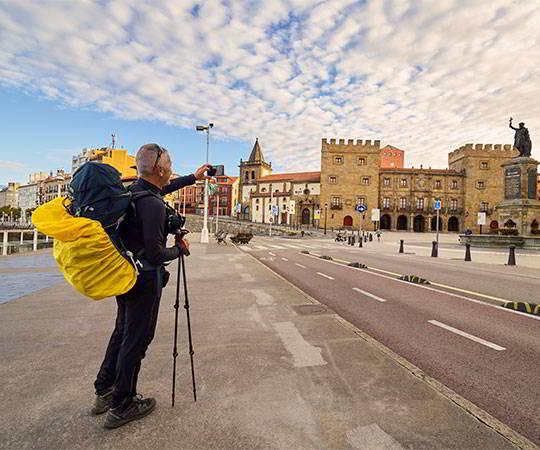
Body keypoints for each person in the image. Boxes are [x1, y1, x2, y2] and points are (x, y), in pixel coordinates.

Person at [92, 143, 211, 429]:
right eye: (170, 165)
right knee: (137, 339)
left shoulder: (134, 192)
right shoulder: (154, 206)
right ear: (159, 169)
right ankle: (122, 404)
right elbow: (157, 254)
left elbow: (160, 190)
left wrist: (192, 178)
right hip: (145, 280)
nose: (172, 169)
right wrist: (180, 249)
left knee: (122, 331)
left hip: (125, 274)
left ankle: (104, 390)